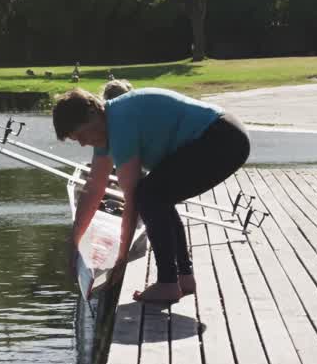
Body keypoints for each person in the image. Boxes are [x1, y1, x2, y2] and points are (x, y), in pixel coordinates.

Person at [54, 86, 250, 303]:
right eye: (76, 140)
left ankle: (167, 283)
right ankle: (183, 277)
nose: (82, 143)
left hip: (222, 138)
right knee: (158, 195)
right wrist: (74, 243)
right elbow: (93, 189)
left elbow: (132, 200)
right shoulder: (108, 128)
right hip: (225, 135)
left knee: (148, 195)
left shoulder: (120, 124)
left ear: (93, 112)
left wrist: (121, 258)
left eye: (81, 135)